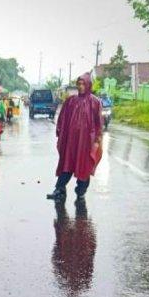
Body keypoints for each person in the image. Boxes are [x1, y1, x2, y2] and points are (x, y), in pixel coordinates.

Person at [47, 73, 103, 203]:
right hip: (71, 140)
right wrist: (60, 130)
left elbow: (98, 122)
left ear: (88, 85)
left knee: (84, 165)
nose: (80, 86)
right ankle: (59, 189)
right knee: (67, 163)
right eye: (79, 84)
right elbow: (63, 117)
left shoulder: (94, 102)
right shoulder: (71, 101)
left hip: (86, 142)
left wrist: (97, 139)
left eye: (83, 84)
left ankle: (81, 192)